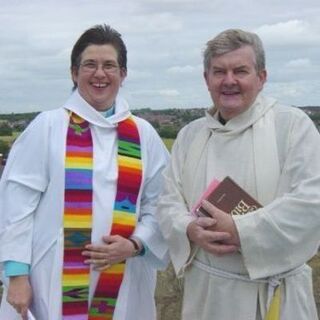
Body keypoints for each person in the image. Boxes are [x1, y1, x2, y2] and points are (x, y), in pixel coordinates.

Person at [0, 24, 169, 320]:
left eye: (110, 65)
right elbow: (17, 205)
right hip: (52, 276)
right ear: (74, 73)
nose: (100, 74)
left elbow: (162, 204)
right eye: (90, 64)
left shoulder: (144, 135)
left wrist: (136, 243)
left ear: (123, 74)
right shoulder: (47, 126)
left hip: (124, 278)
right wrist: (16, 274)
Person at [156, 28, 320, 320]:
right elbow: (169, 201)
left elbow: (311, 202)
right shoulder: (189, 135)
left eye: (240, 71)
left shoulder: (292, 125)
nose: (229, 81)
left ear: (262, 77)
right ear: (206, 79)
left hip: (272, 296)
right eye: (219, 71)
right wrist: (189, 229)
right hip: (206, 293)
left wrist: (241, 230)